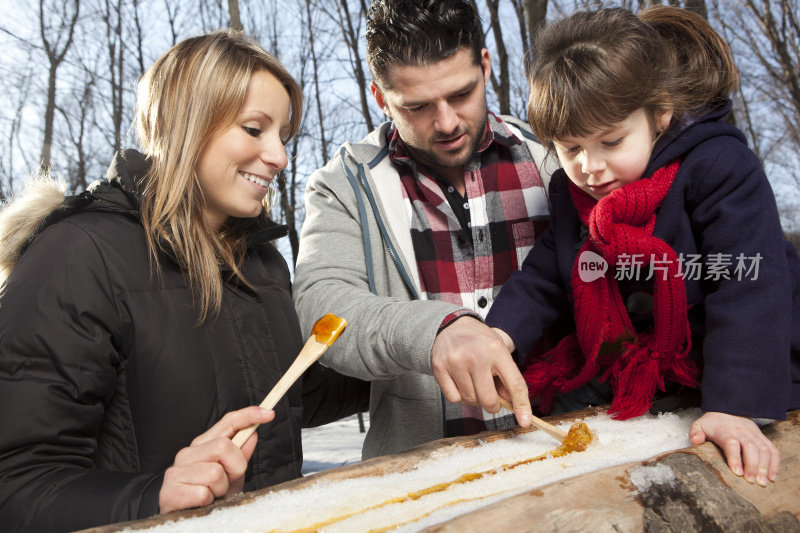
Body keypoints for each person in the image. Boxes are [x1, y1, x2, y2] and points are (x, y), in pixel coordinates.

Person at [0, 30, 368, 532]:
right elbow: (16, 486)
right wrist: (154, 497)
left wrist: (405, 355)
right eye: (254, 129)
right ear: (186, 125)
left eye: (283, 136)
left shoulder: (260, 263)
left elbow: (291, 397)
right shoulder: (77, 256)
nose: (280, 158)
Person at [485, 6, 800, 487]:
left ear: (659, 114)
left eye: (611, 141)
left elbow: (748, 284)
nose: (590, 166)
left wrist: (735, 406)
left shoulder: (718, 167)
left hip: (753, 364)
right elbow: (546, 276)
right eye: (571, 149)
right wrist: (499, 336)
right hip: (645, 374)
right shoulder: (574, 199)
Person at [293, 0, 554, 459]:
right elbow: (321, 304)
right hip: (423, 479)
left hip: (559, 457)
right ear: (380, 97)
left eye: (461, 94)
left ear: (486, 66)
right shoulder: (344, 185)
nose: (447, 122)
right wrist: (435, 333)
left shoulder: (555, 158)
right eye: (417, 106)